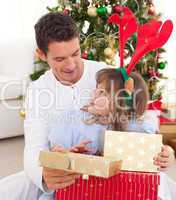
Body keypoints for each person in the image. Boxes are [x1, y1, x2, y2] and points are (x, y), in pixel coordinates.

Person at [0, 12, 175, 200]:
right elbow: (35, 146)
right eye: (60, 59)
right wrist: (43, 175)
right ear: (41, 55)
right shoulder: (38, 90)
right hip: (67, 172)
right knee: (10, 190)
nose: (71, 65)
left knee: (161, 186)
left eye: (75, 53)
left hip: (116, 173)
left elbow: (135, 119)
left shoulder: (104, 74)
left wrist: (167, 153)